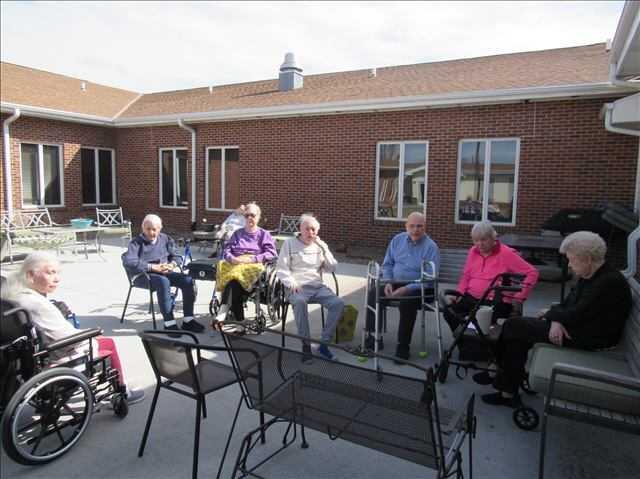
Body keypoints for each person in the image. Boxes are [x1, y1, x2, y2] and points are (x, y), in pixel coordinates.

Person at [475, 231, 632, 407]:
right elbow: (567, 305)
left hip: (589, 338)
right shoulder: (593, 276)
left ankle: (500, 375)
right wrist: (556, 320)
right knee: (517, 334)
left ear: (587, 259)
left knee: (514, 326)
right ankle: (505, 385)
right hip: (578, 327)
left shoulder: (607, 282)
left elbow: (574, 312)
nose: (570, 266)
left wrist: (555, 316)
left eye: (572, 260)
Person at [1, 252, 145, 404]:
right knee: (106, 342)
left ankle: (122, 386)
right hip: (54, 356)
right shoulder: (37, 304)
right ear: (31, 274)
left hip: (29, 357)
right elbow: (68, 338)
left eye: (57, 273)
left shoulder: (13, 294)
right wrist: (91, 335)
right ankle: (122, 391)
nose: (56, 279)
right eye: (50, 273)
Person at [365, 212, 440, 362]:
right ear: (406, 226)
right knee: (374, 293)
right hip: (395, 282)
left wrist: (408, 288)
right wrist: (388, 282)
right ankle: (374, 337)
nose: (415, 230)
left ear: (425, 227)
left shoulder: (431, 247)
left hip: (421, 287)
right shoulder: (397, 240)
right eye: (412, 226)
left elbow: (430, 279)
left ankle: (403, 345)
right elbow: (388, 264)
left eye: (420, 226)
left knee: (407, 301)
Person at [443, 221, 539, 336]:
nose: (479, 244)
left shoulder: (506, 253)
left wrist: (519, 298)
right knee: (449, 312)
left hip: (494, 301)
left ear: (493, 238)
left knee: (479, 323)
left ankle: (473, 343)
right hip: (471, 298)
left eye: (483, 240)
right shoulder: (473, 251)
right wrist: (459, 293)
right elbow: (466, 276)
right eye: (476, 240)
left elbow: (532, 273)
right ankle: (464, 341)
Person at [276, 214, 344, 361]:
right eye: (307, 229)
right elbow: (281, 268)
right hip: (296, 287)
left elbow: (332, 268)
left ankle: (323, 345)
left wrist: (324, 249)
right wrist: (290, 282)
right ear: (300, 229)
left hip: (317, 287)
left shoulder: (319, 245)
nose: (310, 233)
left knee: (338, 304)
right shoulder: (289, 244)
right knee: (300, 302)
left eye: (313, 230)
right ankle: (306, 346)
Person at [123, 214, 204, 333]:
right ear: (143, 228)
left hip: (163, 272)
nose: (151, 232)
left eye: (154, 229)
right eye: (148, 229)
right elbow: (129, 261)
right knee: (163, 282)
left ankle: (188, 320)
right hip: (142, 275)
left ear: (160, 228)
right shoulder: (136, 243)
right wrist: (153, 267)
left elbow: (177, 256)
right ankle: (169, 323)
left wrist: (172, 265)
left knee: (187, 280)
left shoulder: (165, 239)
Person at [214, 202, 277, 324]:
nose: (249, 218)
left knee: (233, 278)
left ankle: (223, 310)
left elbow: (271, 253)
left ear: (258, 217)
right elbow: (227, 250)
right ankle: (239, 323)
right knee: (227, 273)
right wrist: (232, 258)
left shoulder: (264, 234)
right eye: (247, 215)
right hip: (235, 262)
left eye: (252, 215)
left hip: (253, 264)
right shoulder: (237, 233)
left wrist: (252, 259)